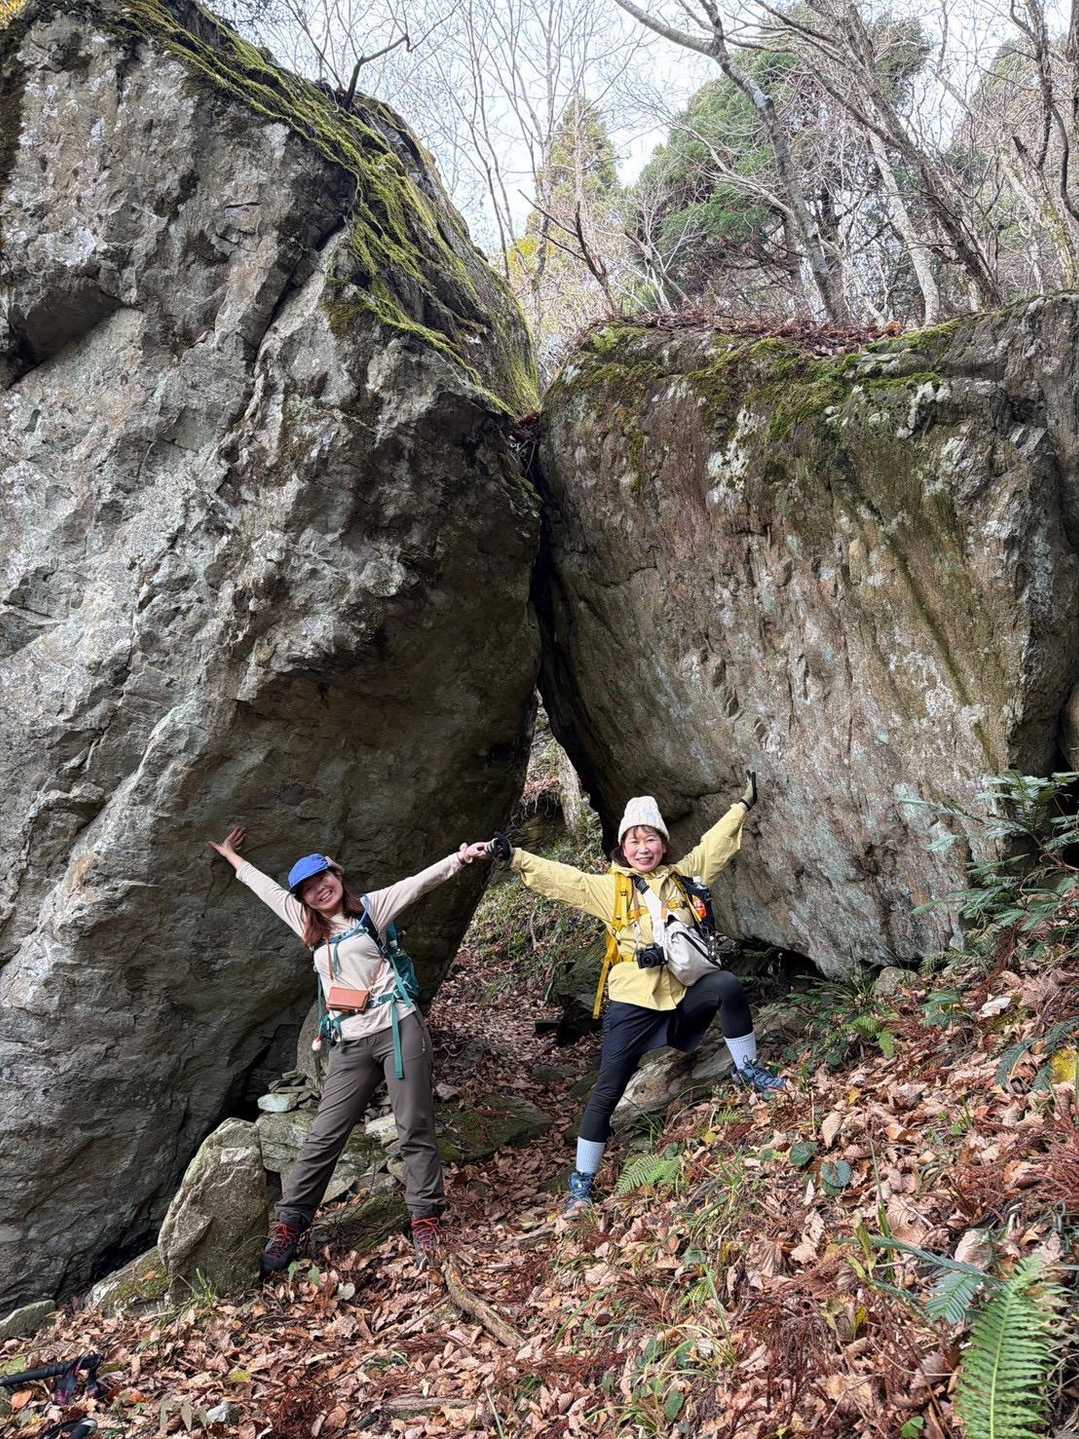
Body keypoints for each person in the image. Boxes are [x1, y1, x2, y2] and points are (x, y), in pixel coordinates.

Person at [486, 771, 785, 1216]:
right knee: (607, 1089)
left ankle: (749, 1071)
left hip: (682, 996)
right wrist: (516, 857)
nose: (643, 848)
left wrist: (741, 807)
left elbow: (715, 846)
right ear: (622, 847)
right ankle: (582, 1185)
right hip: (632, 1005)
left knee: (725, 984)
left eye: (650, 839)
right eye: (634, 841)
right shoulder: (609, 889)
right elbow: (563, 879)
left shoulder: (683, 878)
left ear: (663, 843)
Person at [207, 827, 491, 1273]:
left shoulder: (373, 908)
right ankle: (290, 1225)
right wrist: (232, 859)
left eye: (323, 878)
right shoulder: (305, 923)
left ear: (337, 875)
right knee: (323, 1135)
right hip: (350, 1042)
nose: (319, 890)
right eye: (307, 889)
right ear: (303, 898)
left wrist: (462, 858)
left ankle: (425, 1220)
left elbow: (419, 883)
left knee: (413, 1124)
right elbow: (268, 891)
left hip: (398, 1028)